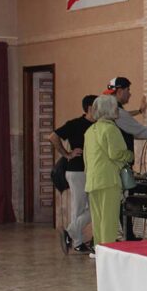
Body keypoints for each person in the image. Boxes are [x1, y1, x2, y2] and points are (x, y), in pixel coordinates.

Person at [104, 77, 147, 240]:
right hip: (119, 165)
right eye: (128, 90)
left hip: (108, 168)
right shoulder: (118, 113)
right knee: (119, 202)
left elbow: (127, 120)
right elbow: (141, 131)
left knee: (115, 203)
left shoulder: (109, 114)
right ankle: (121, 238)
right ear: (120, 91)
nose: (130, 94)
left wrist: (139, 112)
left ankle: (126, 235)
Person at [84, 95, 133, 252]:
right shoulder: (111, 129)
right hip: (108, 180)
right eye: (115, 107)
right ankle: (108, 255)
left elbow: (86, 158)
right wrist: (130, 155)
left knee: (98, 222)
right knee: (109, 222)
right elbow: (116, 153)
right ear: (108, 109)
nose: (117, 109)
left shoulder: (90, 131)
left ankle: (99, 253)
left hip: (92, 181)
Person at [49, 95, 97, 253]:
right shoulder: (75, 124)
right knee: (78, 207)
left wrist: (138, 111)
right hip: (77, 171)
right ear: (90, 108)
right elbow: (53, 136)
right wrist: (67, 153)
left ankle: (70, 233)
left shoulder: (99, 125)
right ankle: (77, 243)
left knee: (95, 207)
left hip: (92, 171)